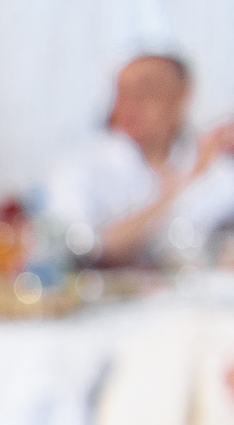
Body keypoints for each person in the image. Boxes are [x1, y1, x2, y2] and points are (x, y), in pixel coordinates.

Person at [42, 54, 234, 266]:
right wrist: (175, 190)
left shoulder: (216, 166)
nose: (131, 104)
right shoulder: (79, 169)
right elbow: (84, 254)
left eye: (146, 91)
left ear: (182, 95)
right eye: (123, 93)